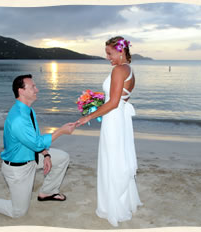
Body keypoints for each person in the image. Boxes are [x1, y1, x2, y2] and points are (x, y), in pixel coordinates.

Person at [0, 74, 76, 218]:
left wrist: (46, 154)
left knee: (62, 157)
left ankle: (48, 192)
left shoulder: (28, 110)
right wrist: (61, 131)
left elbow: (33, 140)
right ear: (21, 91)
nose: (37, 89)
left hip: (32, 157)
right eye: (33, 86)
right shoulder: (18, 118)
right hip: (18, 169)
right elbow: (36, 143)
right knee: (18, 212)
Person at [76, 36, 142, 226]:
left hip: (113, 120)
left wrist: (88, 116)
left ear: (120, 51)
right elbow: (119, 99)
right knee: (116, 158)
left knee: (112, 160)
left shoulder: (119, 70)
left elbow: (113, 102)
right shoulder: (128, 69)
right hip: (119, 119)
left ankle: (113, 206)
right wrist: (97, 100)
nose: (107, 57)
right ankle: (121, 201)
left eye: (109, 53)